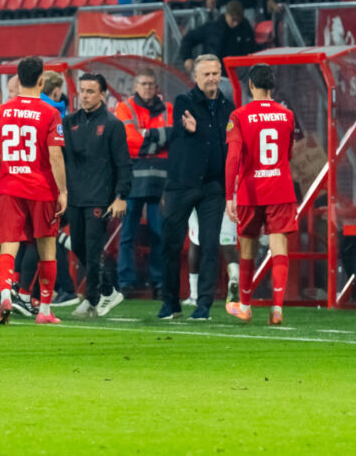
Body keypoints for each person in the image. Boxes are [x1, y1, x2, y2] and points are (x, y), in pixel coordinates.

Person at [0, 57, 68, 325]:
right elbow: (55, 156)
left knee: (8, 246)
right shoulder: (50, 113)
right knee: (47, 248)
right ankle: (44, 310)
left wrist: (4, 173)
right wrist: (63, 191)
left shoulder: (1, 111)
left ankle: (5, 295)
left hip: (10, 187)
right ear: (41, 80)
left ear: (18, 78)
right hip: (41, 189)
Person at [160, 54, 235, 321]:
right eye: (207, 74)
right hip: (182, 184)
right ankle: (170, 303)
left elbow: (228, 143)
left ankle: (203, 305)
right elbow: (183, 130)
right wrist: (192, 129)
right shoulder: (184, 102)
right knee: (171, 244)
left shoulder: (228, 106)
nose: (212, 78)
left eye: (216, 73)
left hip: (213, 186)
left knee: (210, 244)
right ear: (195, 77)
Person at [223, 63, 297, 325]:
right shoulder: (287, 115)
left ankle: (245, 306)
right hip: (280, 188)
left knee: (247, 249)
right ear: (272, 85)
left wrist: (229, 196)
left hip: (250, 191)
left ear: (251, 85)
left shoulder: (239, 116)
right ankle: (277, 309)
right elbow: (288, 154)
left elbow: (233, 158)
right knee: (279, 248)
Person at [64, 73, 132, 318]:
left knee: (93, 250)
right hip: (75, 196)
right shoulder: (69, 122)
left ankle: (91, 300)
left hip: (100, 197)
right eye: (82, 90)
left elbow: (123, 163)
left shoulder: (113, 125)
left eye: (90, 91)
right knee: (79, 246)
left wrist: (121, 196)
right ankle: (109, 290)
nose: (84, 95)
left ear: (102, 94)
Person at [114, 68, 172, 297]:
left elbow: (175, 135)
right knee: (128, 233)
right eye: (143, 84)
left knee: (160, 233)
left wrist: (144, 135)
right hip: (132, 178)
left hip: (160, 179)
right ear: (135, 87)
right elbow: (129, 140)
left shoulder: (168, 109)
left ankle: (159, 282)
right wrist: (158, 140)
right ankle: (126, 282)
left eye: (150, 84)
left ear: (156, 87)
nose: (147, 88)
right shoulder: (124, 107)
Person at [179, 0, 260, 74]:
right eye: (233, 20)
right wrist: (187, 58)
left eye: (238, 21)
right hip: (213, 73)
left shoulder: (245, 29)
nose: (236, 24)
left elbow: (252, 47)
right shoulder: (211, 28)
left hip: (239, 74)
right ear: (226, 15)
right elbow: (188, 39)